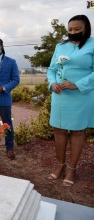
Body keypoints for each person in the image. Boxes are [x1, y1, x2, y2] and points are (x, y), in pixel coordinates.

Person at [46, 15, 94, 187]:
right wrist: (52, 83)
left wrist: (77, 84)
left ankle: (72, 169)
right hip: (60, 95)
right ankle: (60, 165)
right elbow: (51, 69)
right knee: (58, 129)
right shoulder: (60, 46)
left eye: (77, 30)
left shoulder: (92, 45)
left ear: (86, 29)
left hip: (81, 95)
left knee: (77, 131)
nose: (73, 32)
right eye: (70, 29)